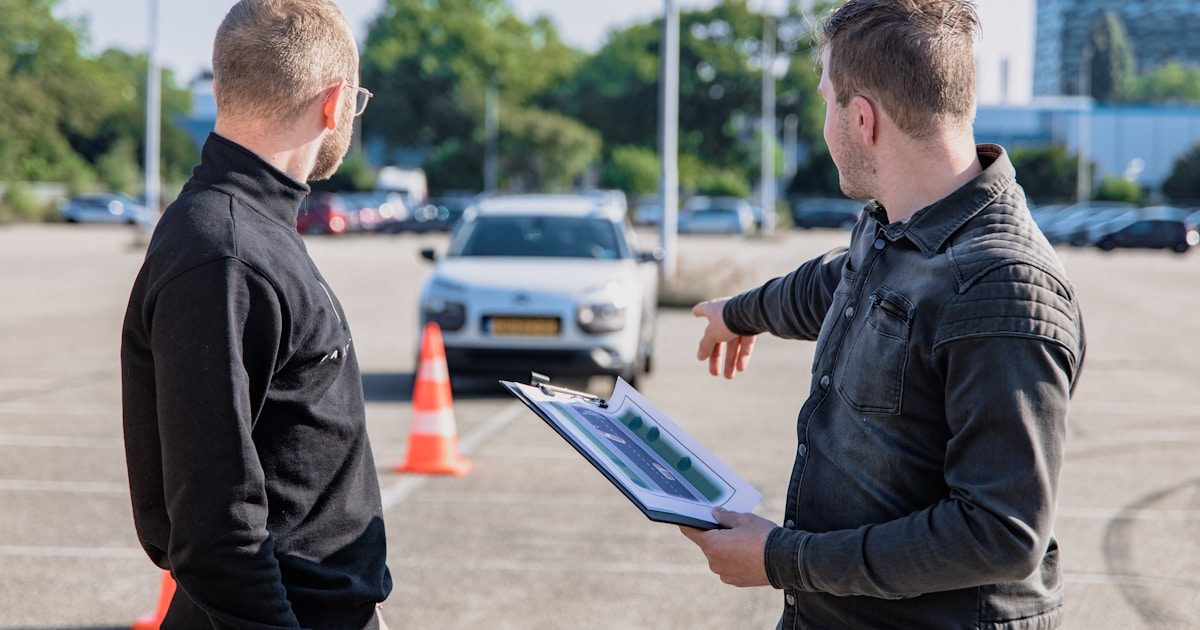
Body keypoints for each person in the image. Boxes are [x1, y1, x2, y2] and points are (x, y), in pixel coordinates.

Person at [681, 1, 1086, 628]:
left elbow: (999, 533)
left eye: (826, 101)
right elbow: (835, 283)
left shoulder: (1002, 287)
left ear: (862, 119)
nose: (825, 122)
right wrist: (739, 312)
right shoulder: (897, 226)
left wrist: (781, 558)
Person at [120, 1, 391, 628]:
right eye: (357, 102)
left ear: (222, 91)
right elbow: (215, 530)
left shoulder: (250, 231)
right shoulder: (225, 252)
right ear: (335, 103)